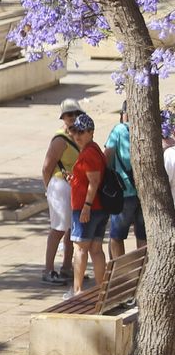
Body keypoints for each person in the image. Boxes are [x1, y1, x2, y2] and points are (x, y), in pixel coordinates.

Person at [41, 99, 85, 284]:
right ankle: (48, 270)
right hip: (60, 186)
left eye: (76, 114)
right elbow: (46, 167)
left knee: (71, 229)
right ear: (63, 118)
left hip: (73, 186)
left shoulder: (79, 135)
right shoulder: (60, 139)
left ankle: (67, 267)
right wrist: (48, 189)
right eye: (69, 115)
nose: (73, 118)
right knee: (58, 229)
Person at [68, 113, 109, 297]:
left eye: (82, 131)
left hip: (88, 208)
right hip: (99, 207)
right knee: (95, 249)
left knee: (81, 248)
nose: (77, 135)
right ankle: (101, 289)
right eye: (75, 130)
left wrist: (86, 206)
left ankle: (78, 290)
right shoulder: (94, 149)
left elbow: (94, 181)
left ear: (91, 132)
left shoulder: (88, 153)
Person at [105, 103, 147, 258]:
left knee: (117, 236)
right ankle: (142, 271)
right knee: (142, 236)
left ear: (124, 113)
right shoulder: (147, 127)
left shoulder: (119, 129)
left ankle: (119, 274)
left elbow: (107, 156)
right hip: (145, 193)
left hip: (124, 192)